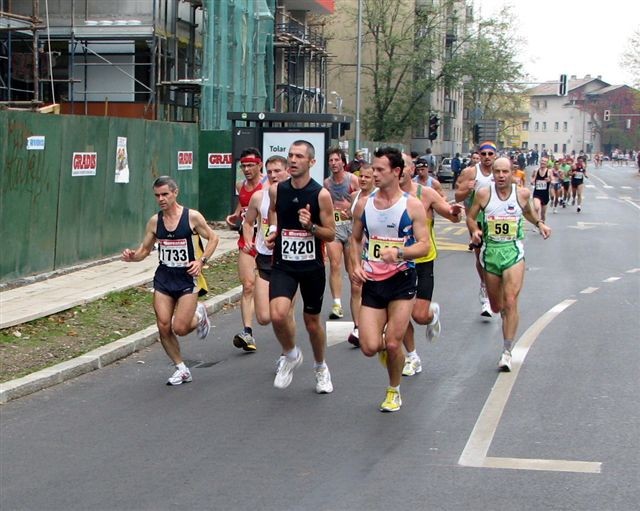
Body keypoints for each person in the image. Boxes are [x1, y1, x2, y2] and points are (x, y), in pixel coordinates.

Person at [349, 147, 430, 412]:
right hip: (373, 281)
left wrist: (399, 253)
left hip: (402, 280)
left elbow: (424, 246)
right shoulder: (364, 203)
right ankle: (390, 354)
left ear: (396, 172)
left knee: (394, 341)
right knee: (370, 347)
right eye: (373, 168)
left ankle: (393, 390)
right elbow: (355, 238)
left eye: (380, 169)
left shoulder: (412, 205)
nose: (374, 173)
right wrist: (355, 265)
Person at [122, 176, 219, 385]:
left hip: (187, 279)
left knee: (180, 328)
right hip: (164, 278)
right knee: (164, 325)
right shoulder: (155, 222)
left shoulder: (192, 217)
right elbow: (144, 251)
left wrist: (201, 261)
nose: (161, 199)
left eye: (165, 194)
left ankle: (199, 315)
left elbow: (214, 238)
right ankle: (181, 368)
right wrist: (133, 257)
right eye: (157, 195)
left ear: (175, 193)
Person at [466, 157, 551, 372]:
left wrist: (540, 224)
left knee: (511, 300)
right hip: (491, 252)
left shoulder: (521, 194)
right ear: (492, 173)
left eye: (505, 171)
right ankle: (502, 312)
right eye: (497, 172)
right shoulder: (484, 193)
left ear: (512, 172)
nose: (501, 176)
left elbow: (530, 213)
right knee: (497, 306)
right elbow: (471, 216)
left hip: (513, 251)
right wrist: (475, 230)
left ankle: (506, 351)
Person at [265, 140, 336, 393]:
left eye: (299, 156)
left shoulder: (321, 195)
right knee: (277, 314)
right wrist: (273, 231)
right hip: (284, 263)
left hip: (311, 266)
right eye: (290, 156)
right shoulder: (277, 190)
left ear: (311, 162)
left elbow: (330, 234)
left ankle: (320, 367)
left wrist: (310, 227)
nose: (293, 160)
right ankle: (291, 353)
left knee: (312, 322)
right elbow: (274, 212)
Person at [398, 153, 462, 377]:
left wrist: (455, 213)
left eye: (403, 165)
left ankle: (431, 314)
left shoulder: (425, 194)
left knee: (419, 316)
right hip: (398, 263)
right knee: (400, 313)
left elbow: (451, 215)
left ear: (411, 169)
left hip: (423, 262)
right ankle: (412, 356)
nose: (399, 170)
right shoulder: (385, 197)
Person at [226, 147, 264, 352]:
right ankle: (247, 332)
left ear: (260, 164)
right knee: (248, 285)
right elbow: (242, 209)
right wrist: (234, 217)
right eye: (243, 166)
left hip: (267, 243)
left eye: (250, 165)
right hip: (246, 241)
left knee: (273, 291)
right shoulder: (240, 185)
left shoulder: (268, 185)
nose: (247, 169)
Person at [455, 141, 497, 317]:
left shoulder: (500, 171)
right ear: (479, 155)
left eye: (490, 154)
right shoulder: (471, 172)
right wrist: (468, 189)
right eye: (483, 154)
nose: (487, 157)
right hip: (476, 217)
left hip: (496, 217)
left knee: (493, 255)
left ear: (495, 155)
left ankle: (493, 286)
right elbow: (457, 195)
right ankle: (484, 287)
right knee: (480, 256)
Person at [323, 146, 360, 321]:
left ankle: (358, 301)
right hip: (335, 227)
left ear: (343, 162)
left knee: (351, 268)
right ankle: (337, 304)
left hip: (351, 228)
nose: (333, 163)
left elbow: (362, 200)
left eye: (337, 160)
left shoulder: (352, 180)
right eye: (331, 160)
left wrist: (351, 209)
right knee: (335, 264)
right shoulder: (327, 184)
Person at [346, 162, 376, 347]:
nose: (363, 179)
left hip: (374, 250)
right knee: (355, 286)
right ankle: (357, 327)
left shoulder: (378, 198)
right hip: (356, 247)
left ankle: (374, 324)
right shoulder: (354, 196)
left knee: (372, 289)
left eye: (367, 176)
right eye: (361, 176)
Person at [530, 156, 551, 223]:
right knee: (536, 208)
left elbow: (553, 179)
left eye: (545, 161)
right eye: (542, 161)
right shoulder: (536, 170)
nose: (543, 162)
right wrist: (532, 181)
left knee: (543, 214)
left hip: (545, 194)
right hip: (537, 193)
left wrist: (549, 180)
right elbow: (532, 178)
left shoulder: (549, 171)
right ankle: (538, 224)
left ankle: (542, 223)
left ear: (547, 163)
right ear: (540, 161)